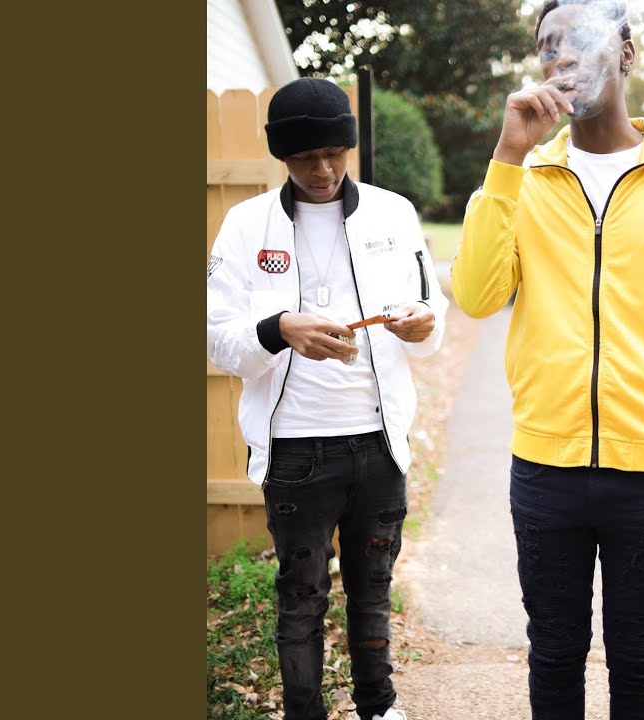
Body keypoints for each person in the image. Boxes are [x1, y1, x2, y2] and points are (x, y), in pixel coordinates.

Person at [451, 1, 644, 717]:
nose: (564, 58)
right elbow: (478, 296)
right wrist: (507, 158)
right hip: (544, 471)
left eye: (580, 40)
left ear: (628, 53)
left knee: (637, 656)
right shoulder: (526, 174)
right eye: (549, 46)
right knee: (553, 652)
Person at [207, 76, 445, 720]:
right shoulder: (245, 225)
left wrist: (424, 324)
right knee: (300, 597)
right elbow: (217, 338)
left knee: (373, 591)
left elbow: (431, 317)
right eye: (306, 158)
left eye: (335, 154)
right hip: (295, 448)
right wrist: (278, 329)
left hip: (378, 442)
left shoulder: (393, 214)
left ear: (349, 148)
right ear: (282, 156)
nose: (323, 170)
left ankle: (379, 707)